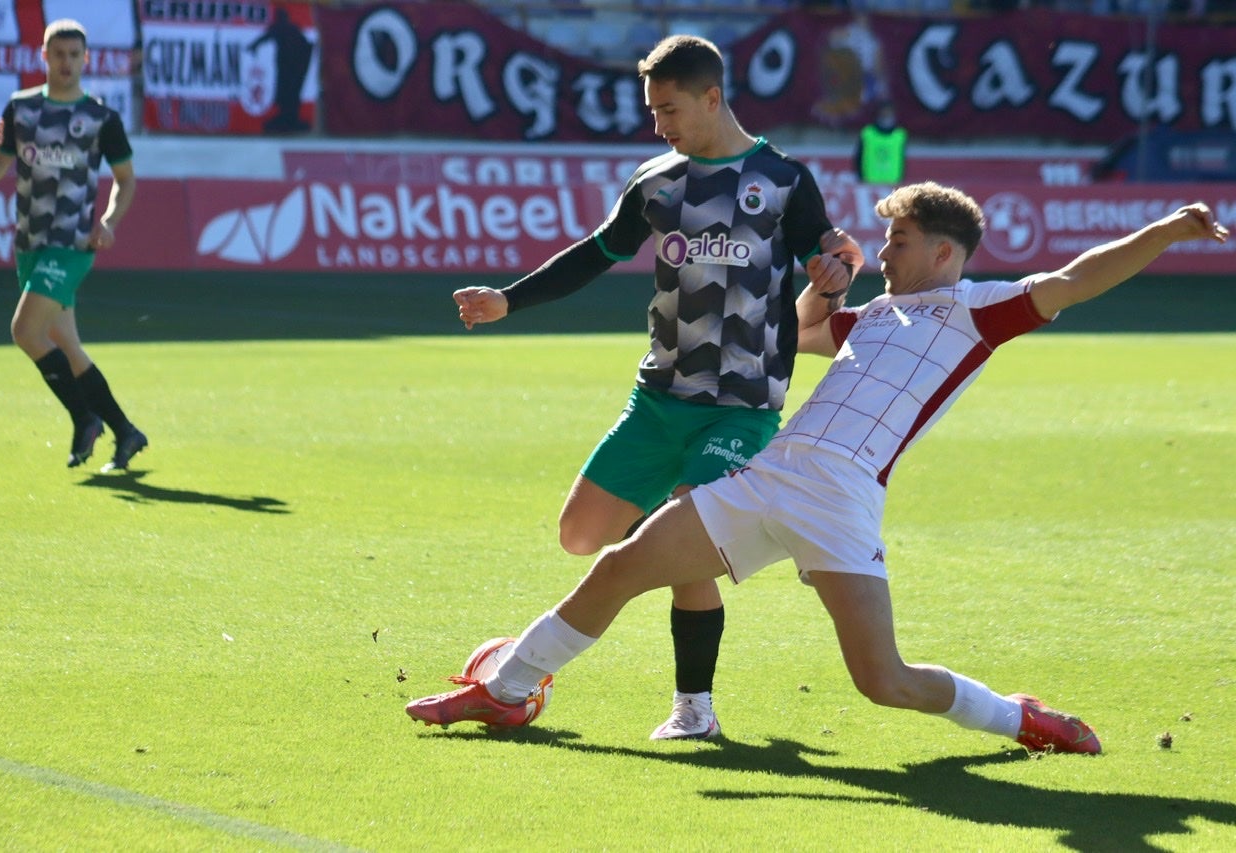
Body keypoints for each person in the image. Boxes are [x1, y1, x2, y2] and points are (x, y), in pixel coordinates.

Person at [407, 182, 1229, 753]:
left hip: (842, 497)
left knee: (885, 682)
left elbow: (1076, 279)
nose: (883, 251)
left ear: (945, 252)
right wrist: (825, 290)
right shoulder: (873, 314)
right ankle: (507, 690)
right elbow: (795, 335)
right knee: (621, 565)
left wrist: (1165, 231)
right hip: (775, 473)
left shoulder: (981, 311)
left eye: (896, 241)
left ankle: (1019, 719)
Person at [450, 34, 862, 740]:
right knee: (580, 535)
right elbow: (595, 252)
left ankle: (693, 708)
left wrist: (838, 271)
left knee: (683, 544)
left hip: (742, 404)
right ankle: (683, 532)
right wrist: (509, 300)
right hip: (659, 399)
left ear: (711, 97)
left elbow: (829, 251)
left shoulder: (784, 178)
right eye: (653, 112)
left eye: (669, 109)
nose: (659, 125)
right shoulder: (657, 181)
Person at [0, 19, 148, 472]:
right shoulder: (22, 108)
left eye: (74, 55)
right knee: (66, 346)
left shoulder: (100, 118)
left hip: (71, 244)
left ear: (85, 59)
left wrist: (109, 221)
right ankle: (127, 432)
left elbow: (126, 181)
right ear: (44, 56)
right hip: (30, 242)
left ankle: (83, 417)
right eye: (59, 55)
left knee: (25, 333)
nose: (66, 63)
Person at [855, 102, 906, 184]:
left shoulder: (900, 135)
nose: (886, 116)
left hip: (893, 183)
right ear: (878, 115)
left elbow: (902, 159)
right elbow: (858, 157)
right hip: (870, 182)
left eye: (889, 114)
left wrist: (901, 178)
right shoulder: (868, 133)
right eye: (884, 114)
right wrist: (860, 177)